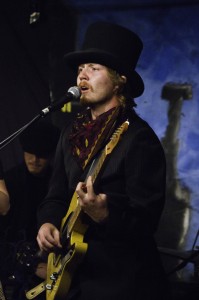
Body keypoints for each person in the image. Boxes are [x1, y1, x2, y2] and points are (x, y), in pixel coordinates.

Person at [36, 22, 170, 300]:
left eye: (93, 68)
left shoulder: (138, 138)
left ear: (120, 79)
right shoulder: (70, 133)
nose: (82, 76)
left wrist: (106, 214)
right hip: (74, 278)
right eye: (80, 69)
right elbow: (56, 194)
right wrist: (47, 222)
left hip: (122, 284)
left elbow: (147, 223)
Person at [0, 118, 60, 300]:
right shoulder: (10, 181)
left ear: (50, 156)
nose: (34, 160)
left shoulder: (57, 186)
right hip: (10, 268)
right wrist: (29, 264)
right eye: (30, 153)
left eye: (41, 155)